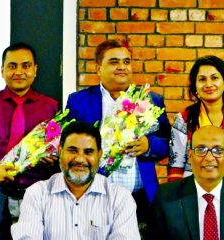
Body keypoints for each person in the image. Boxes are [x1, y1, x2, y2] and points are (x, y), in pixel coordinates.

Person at [11, 121, 142, 240]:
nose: (80, 159)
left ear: (99, 155)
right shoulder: (37, 193)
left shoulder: (119, 197)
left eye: (88, 152)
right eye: (72, 151)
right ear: (60, 151)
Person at [64, 39, 171, 226]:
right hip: (94, 194)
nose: (122, 67)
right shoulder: (78, 101)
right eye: (114, 62)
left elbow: (167, 144)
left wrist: (148, 145)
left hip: (140, 198)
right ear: (98, 69)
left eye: (126, 62)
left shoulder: (151, 101)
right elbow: (67, 146)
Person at [0, 42, 60, 218]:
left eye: (26, 66)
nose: (19, 72)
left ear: (35, 70)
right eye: (12, 66)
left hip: (37, 198)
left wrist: (54, 160)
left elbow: (60, 152)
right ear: (2, 71)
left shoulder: (51, 107)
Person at [168, 55, 224, 181]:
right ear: (195, 86)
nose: (209, 84)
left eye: (214, 78)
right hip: (193, 191)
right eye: (202, 79)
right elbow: (175, 166)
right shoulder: (184, 119)